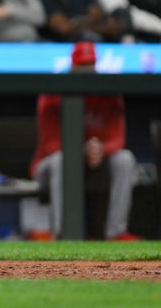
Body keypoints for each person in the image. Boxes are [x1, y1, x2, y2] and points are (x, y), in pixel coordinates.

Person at [32, 42, 140, 241]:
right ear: (72, 66)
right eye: (82, 66)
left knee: (125, 159)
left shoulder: (109, 92)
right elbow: (50, 145)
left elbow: (118, 139)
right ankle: (61, 233)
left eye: (89, 65)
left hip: (96, 163)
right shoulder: (52, 92)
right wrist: (82, 150)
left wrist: (100, 149)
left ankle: (115, 232)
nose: (86, 70)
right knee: (59, 159)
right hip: (50, 168)